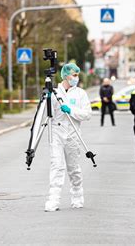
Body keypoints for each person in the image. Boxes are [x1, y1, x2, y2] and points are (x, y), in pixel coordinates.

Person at [45, 63, 92, 212]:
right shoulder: (54, 92)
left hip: (73, 134)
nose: (76, 78)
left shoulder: (80, 93)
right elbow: (47, 114)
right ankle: (53, 200)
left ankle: (77, 197)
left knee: (74, 169)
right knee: (56, 167)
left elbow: (87, 114)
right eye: (74, 75)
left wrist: (71, 110)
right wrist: (47, 99)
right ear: (65, 75)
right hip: (57, 133)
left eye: (77, 75)